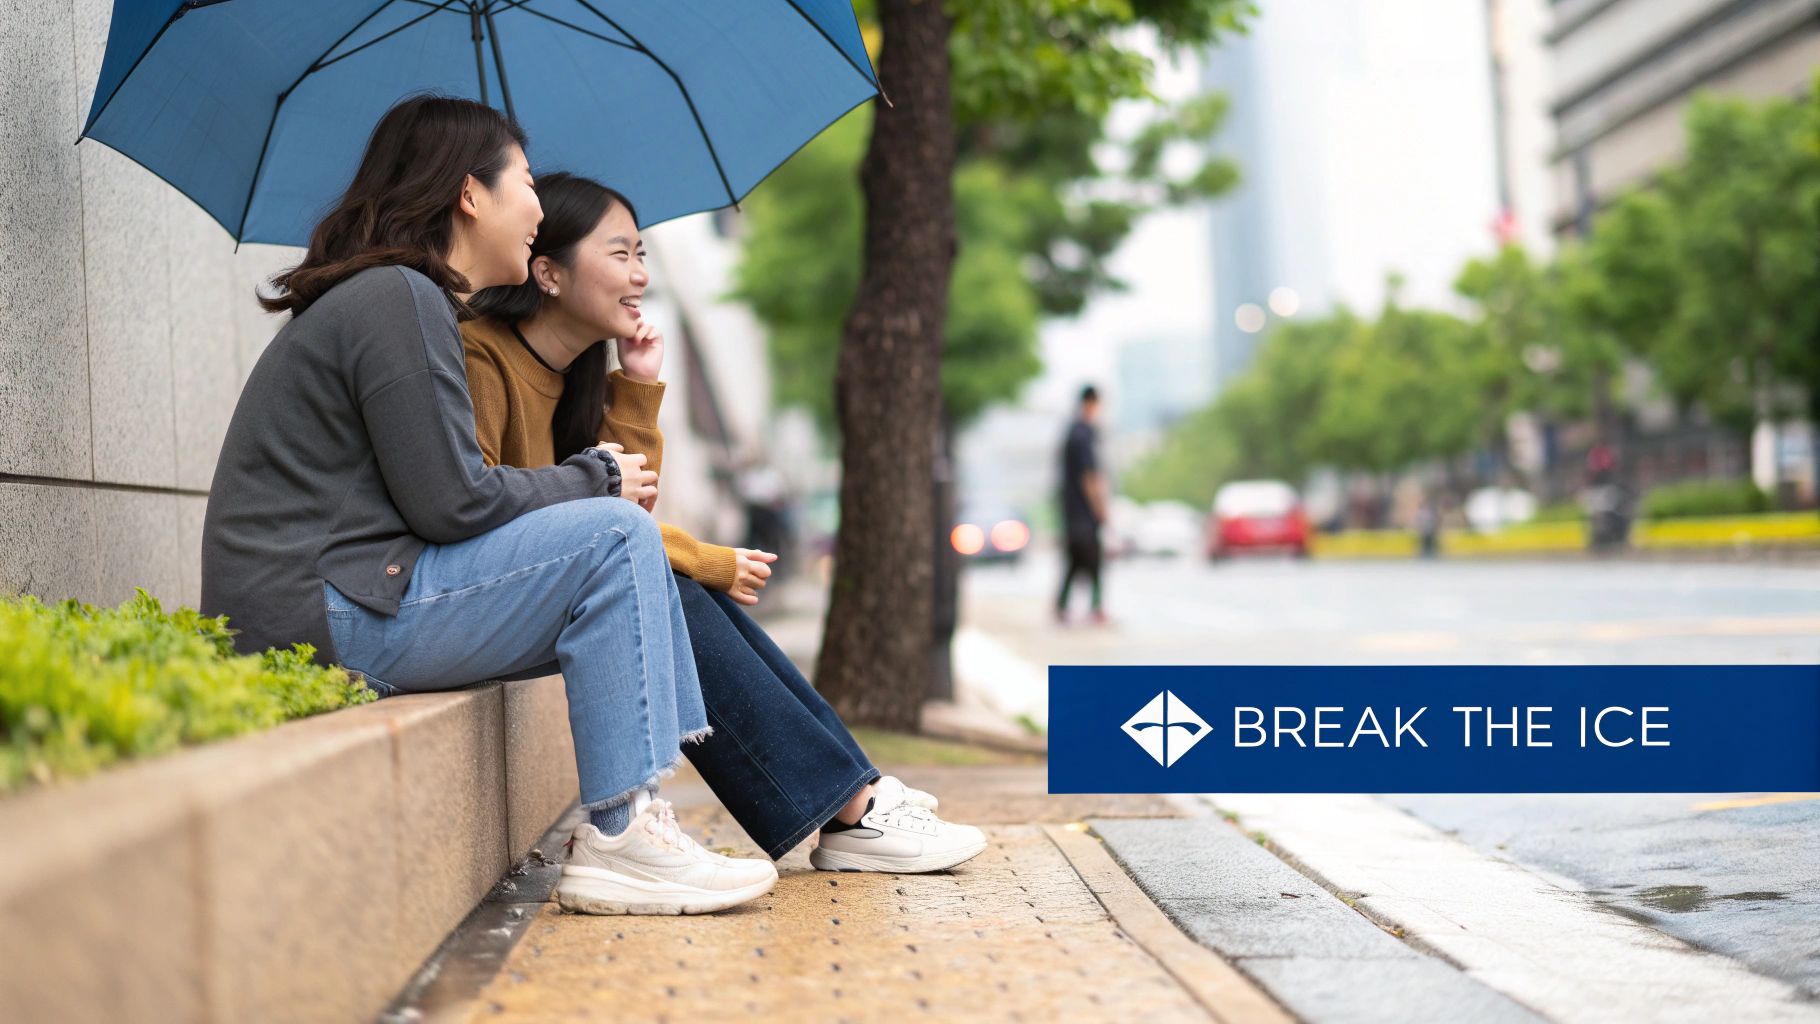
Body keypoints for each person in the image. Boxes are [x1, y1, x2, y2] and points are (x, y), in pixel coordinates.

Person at [200, 96, 777, 916]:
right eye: (528, 182)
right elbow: (453, 502)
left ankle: (635, 818)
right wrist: (594, 478)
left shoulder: (402, 299)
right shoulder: (397, 298)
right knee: (615, 536)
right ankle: (622, 834)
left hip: (343, 596)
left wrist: (597, 471)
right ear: (471, 194)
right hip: (321, 612)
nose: (540, 209)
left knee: (619, 543)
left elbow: (450, 497)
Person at [461, 172, 988, 874]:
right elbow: (506, 512)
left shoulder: (573, 374)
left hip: (532, 590)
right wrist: (703, 558)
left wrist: (637, 382)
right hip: (472, 597)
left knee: (677, 591)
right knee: (679, 591)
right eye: (620, 255)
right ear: (548, 271)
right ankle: (850, 807)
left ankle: (853, 799)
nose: (641, 275)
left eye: (643, 255)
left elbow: (620, 513)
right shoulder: (481, 357)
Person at [1056, 385, 1109, 625]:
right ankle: (1096, 608)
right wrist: (1100, 507)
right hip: (1083, 513)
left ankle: (1062, 606)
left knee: (1076, 560)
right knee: (1092, 560)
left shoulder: (1071, 432)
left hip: (1071, 510)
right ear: (1091, 403)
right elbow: (1089, 476)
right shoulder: (1083, 434)